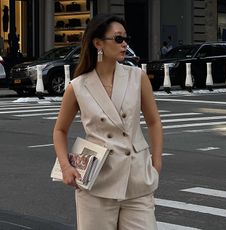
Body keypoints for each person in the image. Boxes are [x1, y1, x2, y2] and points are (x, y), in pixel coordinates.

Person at [53, 13, 163, 230]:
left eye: (126, 38)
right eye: (118, 39)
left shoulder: (136, 77)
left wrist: (156, 163)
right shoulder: (78, 86)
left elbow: (154, 122)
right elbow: (59, 130)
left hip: (138, 179)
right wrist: (66, 167)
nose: (125, 44)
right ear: (98, 43)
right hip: (97, 181)